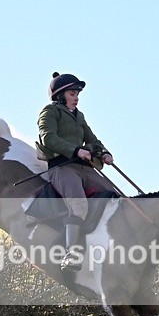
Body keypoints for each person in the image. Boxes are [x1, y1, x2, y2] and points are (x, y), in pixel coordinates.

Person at [36, 72, 117, 271]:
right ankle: (71, 254)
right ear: (60, 95)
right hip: (62, 167)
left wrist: (104, 152)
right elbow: (48, 138)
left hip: (84, 167)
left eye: (77, 94)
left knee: (115, 197)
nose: (77, 97)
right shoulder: (49, 111)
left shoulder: (79, 116)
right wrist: (75, 150)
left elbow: (92, 139)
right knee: (79, 205)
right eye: (72, 94)